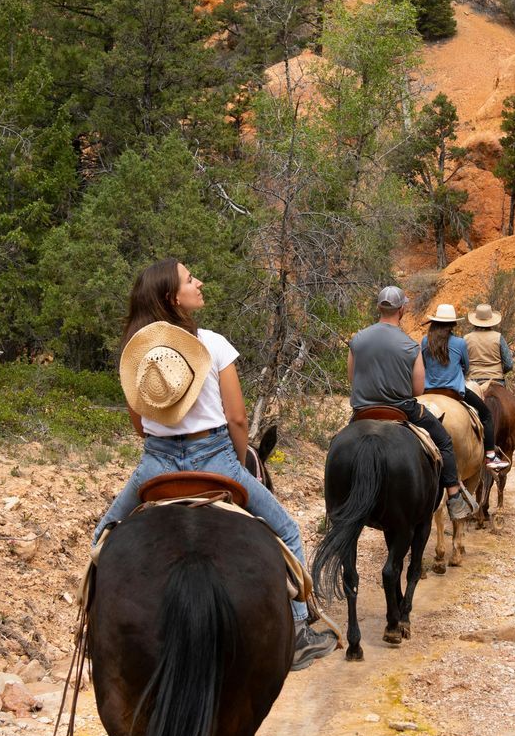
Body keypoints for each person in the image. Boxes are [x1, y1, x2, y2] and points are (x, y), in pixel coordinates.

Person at [96, 259, 335, 671]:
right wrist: (239, 463)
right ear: (173, 297)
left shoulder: (139, 356)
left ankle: (93, 637)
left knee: (102, 539)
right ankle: (297, 632)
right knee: (289, 531)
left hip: (157, 465)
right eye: (191, 279)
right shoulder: (213, 344)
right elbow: (238, 418)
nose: (199, 281)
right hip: (217, 458)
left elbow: (139, 424)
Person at [346, 286, 470, 515]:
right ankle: (454, 496)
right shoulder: (410, 345)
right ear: (402, 309)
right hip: (400, 409)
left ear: (378, 307)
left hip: (362, 410)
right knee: (443, 441)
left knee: (339, 442)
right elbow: (417, 389)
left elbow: (351, 377)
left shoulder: (357, 339)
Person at [421, 303, 504, 468]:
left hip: (428, 391)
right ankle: (490, 456)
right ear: (453, 324)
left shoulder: (425, 341)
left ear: (434, 322)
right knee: (486, 415)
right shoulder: (459, 343)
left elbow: (422, 365)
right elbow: (466, 366)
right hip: (454, 393)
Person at [465, 302, 515, 449]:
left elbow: (463, 363)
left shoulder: (466, 338)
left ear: (475, 320)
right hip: (497, 380)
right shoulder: (498, 337)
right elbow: (509, 363)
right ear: (491, 321)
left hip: (472, 383)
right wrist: (501, 372)